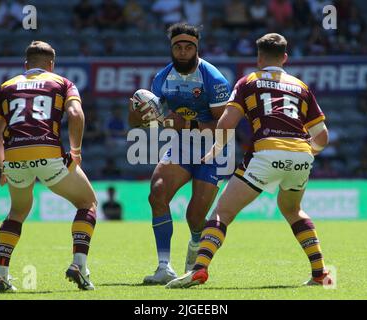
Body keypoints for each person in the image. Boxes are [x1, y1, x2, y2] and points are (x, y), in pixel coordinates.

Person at [166, 33, 333, 288]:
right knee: (292, 210)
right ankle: (321, 274)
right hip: (301, 153)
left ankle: (199, 269)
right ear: (285, 58)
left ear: (259, 58)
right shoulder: (301, 86)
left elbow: (227, 122)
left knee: (223, 212)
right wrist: (306, 154)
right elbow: (322, 136)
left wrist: (216, 148)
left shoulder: (249, 81)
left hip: (266, 152)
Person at [0, 41, 97, 292]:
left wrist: (3, 166)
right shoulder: (62, 82)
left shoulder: (5, 87)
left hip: (15, 155)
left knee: (17, 212)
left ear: (25, 65)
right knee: (87, 203)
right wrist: (76, 152)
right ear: (51, 65)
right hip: (49, 153)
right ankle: (79, 264)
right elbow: (76, 114)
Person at [128, 23, 231, 284]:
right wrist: (138, 113)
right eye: (178, 46)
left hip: (213, 148)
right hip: (183, 146)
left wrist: (186, 124)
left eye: (189, 47)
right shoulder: (161, 79)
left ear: (197, 48)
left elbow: (224, 126)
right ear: (171, 48)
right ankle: (164, 267)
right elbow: (151, 121)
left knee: (195, 217)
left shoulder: (214, 79)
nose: (183, 51)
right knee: (157, 192)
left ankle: (197, 246)